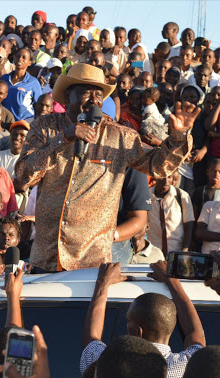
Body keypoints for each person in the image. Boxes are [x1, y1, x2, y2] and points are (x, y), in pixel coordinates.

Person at [15, 63, 197, 272]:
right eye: (86, 93)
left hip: (92, 261)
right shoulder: (45, 127)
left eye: (98, 95)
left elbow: (158, 166)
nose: (94, 101)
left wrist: (178, 138)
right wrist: (64, 139)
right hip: (47, 256)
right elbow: (23, 176)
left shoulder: (119, 136)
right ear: (67, 97)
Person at [81, 261, 205, 378]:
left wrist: (102, 283)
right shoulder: (186, 367)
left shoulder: (108, 364)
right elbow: (195, 334)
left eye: (128, 321)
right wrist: (172, 281)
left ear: (137, 331)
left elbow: (92, 339)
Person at [148, 173, 195, 255]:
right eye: (162, 177)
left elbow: (189, 225)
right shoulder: (146, 196)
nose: (166, 181)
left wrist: (184, 251)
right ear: (155, 177)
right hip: (152, 252)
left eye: (169, 177)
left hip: (176, 251)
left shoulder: (182, 196)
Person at [1, 48, 42, 121]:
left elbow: (38, 105)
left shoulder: (33, 82)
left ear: (29, 62)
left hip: (23, 124)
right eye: (18, 56)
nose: (20, 59)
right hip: (4, 121)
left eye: (24, 57)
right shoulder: (4, 78)